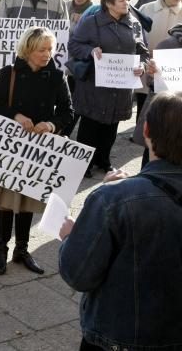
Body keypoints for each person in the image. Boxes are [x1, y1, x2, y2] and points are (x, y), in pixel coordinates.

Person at [59, 91, 182, 351]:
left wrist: (72, 236)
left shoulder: (112, 200)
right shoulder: (115, 198)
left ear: (146, 130)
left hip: (120, 338)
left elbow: (78, 275)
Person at [0, 26, 73, 276]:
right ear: (28, 50)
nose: (47, 54)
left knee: (28, 199)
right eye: (41, 50)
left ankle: (22, 250)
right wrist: (16, 115)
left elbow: (68, 112)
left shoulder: (57, 77)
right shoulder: (10, 73)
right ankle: (1, 250)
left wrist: (51, 124)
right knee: (5, 201)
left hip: (40, 148)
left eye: (50, 49)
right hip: (12, 145)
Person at [70, 0, 149, 177]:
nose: (127, 4)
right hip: (94, 85)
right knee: (90, 126)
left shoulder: (134, 23)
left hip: (121, 86)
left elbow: (142, 51)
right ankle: (82, 165)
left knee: (111, 126)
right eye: (122, 0)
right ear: (109, 3)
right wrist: (90, 51)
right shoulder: (92, 22)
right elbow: (73, 45)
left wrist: (142, 66)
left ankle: (103, 161)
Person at [61, 0, 97, 136]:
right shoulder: (65, 5)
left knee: (74, 96)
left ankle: (65, 130)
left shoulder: (95, 10)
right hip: (60, 56)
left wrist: (81, 22)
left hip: (79, 61)